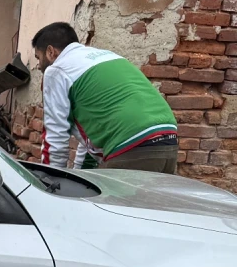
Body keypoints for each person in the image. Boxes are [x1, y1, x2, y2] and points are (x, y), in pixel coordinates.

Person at [32, 22, 179, 173]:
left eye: (38, 57)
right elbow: (90, 141)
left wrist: (50, 179)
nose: (38, 65)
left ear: (50, 52)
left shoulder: (57, 70)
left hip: (131, 143)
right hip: (168, 137)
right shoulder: (109, 56)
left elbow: (55, 136)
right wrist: (81, 175)